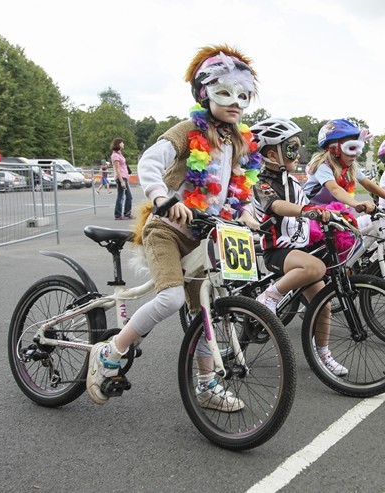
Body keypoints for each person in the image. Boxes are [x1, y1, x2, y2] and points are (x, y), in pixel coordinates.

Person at [87, 44, 261, 411]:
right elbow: (150, 160)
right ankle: (111, 351)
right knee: (170, 298)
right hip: (166, 229)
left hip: (204, 237)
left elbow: (238, 185)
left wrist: (245, 211)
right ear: (204, 93)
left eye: (243, 95)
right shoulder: (187, 130)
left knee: (206, 311)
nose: (235, 102)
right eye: (224, 92)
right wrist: (163, 197)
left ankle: (206, 385)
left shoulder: (236, 140)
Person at [251, 117, 348, 376]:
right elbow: (277, 207)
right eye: (291, 147)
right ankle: (269, 296)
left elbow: (312, 207)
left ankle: (323, 355)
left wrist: (335, 215)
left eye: (297, 146)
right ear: (272, 153)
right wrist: (309, 211)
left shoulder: (294, 183)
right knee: (316, 267)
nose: (298, 152)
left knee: (323, 303)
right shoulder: (261, 182)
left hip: (299, 251)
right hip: (277, 251)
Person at [303, 119, 385, 234]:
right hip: (313, 212)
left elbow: (368, 184)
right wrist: (356, 203)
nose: (355, 154)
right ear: (334, 149)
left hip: (333, 211)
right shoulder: (323, 166)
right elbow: (334, 189)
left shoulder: (350, 167)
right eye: (351, 148)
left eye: (358, 148)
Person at [111, 138, 133, 219]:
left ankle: (127, 213)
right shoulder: (115, 155)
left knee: (129, 196)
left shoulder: (120, 154)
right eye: (122, 143)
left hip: (125, 177)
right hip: (121, 177)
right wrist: (122, 181)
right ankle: (118, 215)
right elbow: (117, 169)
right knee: (121, 196)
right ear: (119, 144)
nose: (123, 144)